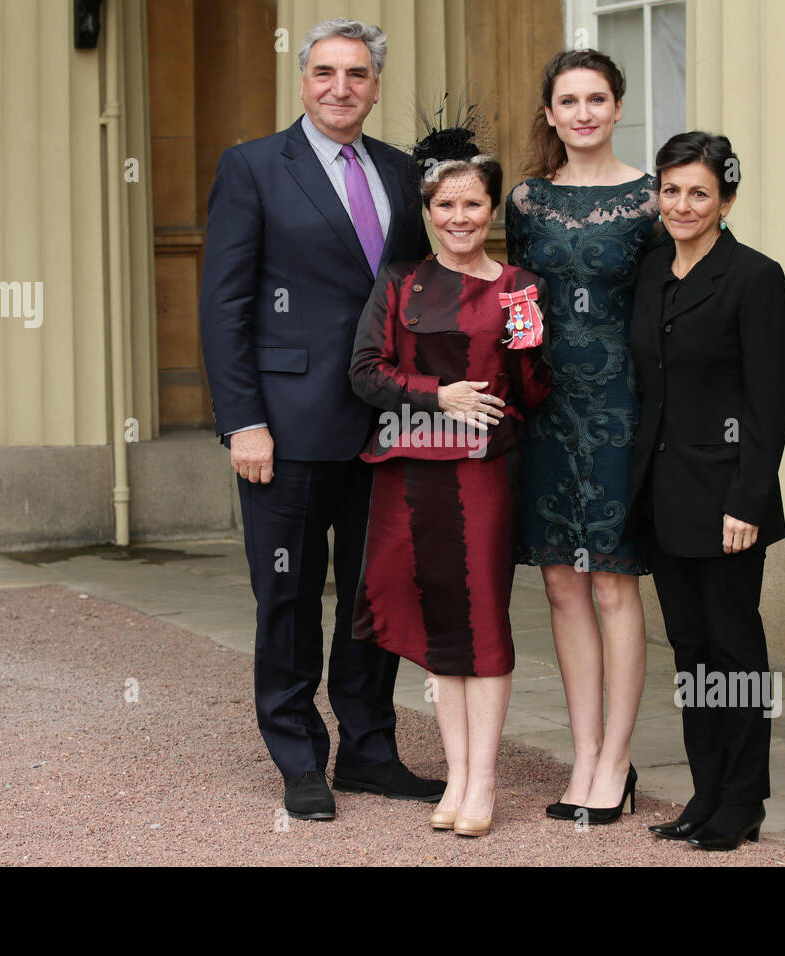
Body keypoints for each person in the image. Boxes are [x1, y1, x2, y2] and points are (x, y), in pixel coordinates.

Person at [199, 17, 443, 821]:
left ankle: (370, 750)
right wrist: (243, 423)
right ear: (302, 82)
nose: (342, 87)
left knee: (377, 595)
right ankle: (298, 754)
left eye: (359, 74)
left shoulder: (405, 175)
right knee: (289, 595)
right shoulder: (254, 168)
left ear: (376, 86)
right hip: (287, 428)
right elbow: (225, 307)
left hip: (385, 429)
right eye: (327, 73)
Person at [350, 118, 553, 838]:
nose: (459, 218)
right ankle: (457, 774)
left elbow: (531, 393)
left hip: (482, 474)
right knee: (439, 625)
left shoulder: (520, 287)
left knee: (482, 622)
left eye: (472, 205)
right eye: (445, 205)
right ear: (427, 212)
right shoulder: (400, 281)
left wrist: (529, 345)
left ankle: (483, 782)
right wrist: (437, 395)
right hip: (410, 472)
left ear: (490, 208)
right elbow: (365, 373)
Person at [506, 49, 670, 823]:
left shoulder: (648, 200)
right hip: (544, 410)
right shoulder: (526, 202)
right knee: (559, 582)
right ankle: (583, 755)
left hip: (620, 410)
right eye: (568, 100)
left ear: (617, 105)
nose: (582, 112)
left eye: (596, 98)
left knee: (611, 581)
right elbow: (507, 302)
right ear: (549, 113)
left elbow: (667, 312)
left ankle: (618, 759)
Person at [627, 131, 785, 850]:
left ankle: (743, 798)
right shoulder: (651, 270)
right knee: (690, 653)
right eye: (670, 190)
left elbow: (770, 402)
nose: (682, 204)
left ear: (726, 199)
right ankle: (704, 790)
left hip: (727, 501)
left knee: (735, 655)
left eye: (699, 192)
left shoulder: (755, 277)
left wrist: (746, 502)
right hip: (664, 497)